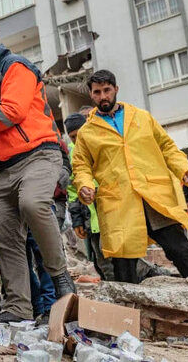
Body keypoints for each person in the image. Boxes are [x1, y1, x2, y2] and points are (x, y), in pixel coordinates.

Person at [0, 25, 74, 324]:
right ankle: (18, 307)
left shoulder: (15, 66)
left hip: (39, 154)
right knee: (4, 233)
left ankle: (61, 278)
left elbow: (11, 112)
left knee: (33, 203)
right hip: (3, 166)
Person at [73, 69, 188, 283]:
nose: (103, 96)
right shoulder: (87, 132)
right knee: (124, 261)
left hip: (153, 195)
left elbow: (167, 146)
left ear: (116, 89)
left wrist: (185, 168)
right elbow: (81, 166)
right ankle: (132, 312)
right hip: (119, 201)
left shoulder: (141, 117)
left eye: (107, 90)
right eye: (97, 92)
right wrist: (84, 185)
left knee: (178, 248)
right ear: (91, 95)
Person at [65, 112, 114, 280]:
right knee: (102, 264)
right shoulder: (70, 156)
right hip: (91, 220)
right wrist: (77, 220)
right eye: (72, 137)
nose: (77, 140)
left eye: (79, 135)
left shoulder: (101, 144)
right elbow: (72, 192)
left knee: (122, 259)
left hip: (111, 213)